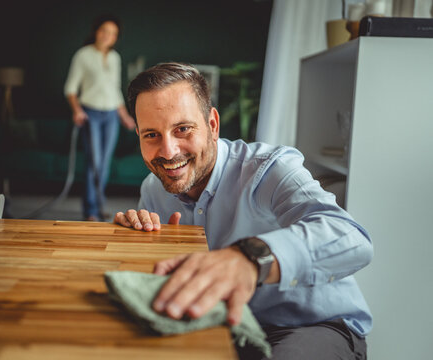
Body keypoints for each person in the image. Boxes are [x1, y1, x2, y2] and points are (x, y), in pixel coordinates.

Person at [113, 62, 373, 359]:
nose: (169, 151)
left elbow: (352, 239)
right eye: (151, 135)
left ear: (212, 124)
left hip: (312, 325)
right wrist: (135, 237)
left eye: (183, 129)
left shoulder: (270, 169)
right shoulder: (153, 187)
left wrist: (252, 258)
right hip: (219, 322)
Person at [64, 14, 135, 221]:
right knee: (93, 162)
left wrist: (125, 116)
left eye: (113, 33)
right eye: (104, 31)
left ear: (116, 38)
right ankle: (91, 211)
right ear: (96, 31)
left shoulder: (115, 58)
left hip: (112, 115)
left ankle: (99, 204)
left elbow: (115, 90)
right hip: (91, 114)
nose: (107, 36)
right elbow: (70, 88)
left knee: (104, 163)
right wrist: (77, 110)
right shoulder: (83, 55)